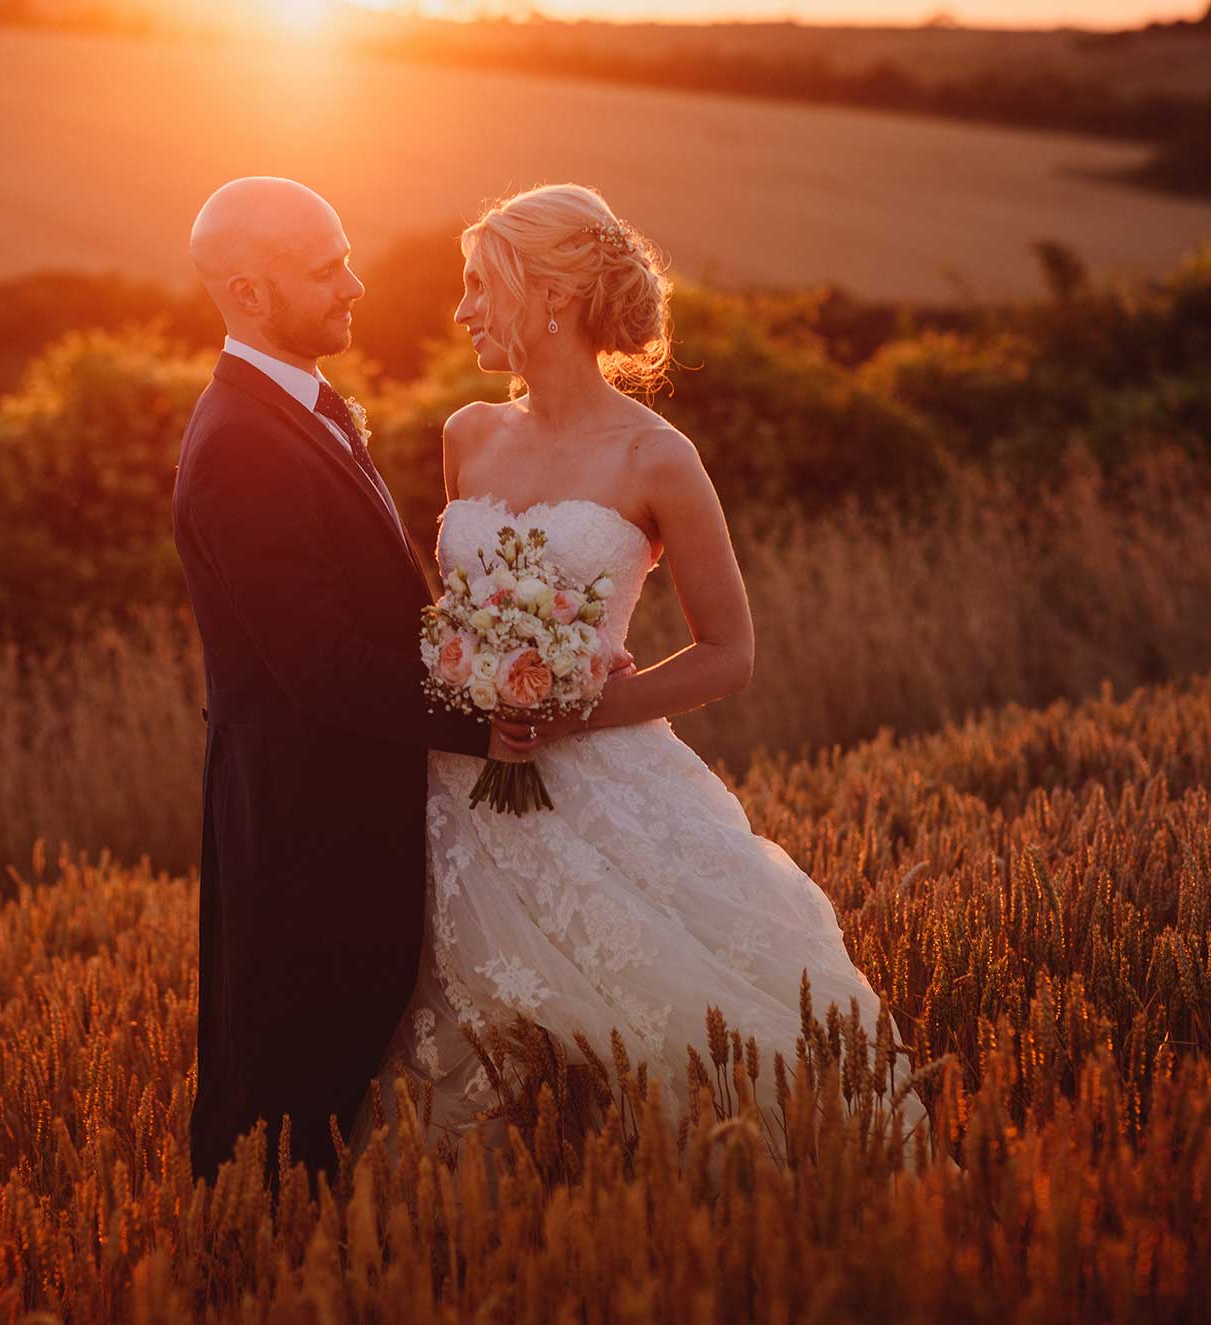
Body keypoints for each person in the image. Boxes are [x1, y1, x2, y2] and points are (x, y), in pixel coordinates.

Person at [360, 183, 933, 1168]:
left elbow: (728, 652)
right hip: (459, 800)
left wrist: (573, 707)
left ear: (547, 296)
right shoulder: (466, 435)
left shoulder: (656, 457)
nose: (457, 314)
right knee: (466, 1037)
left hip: (598, 784)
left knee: (659, 1038)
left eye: (475, 286)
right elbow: (456, 606)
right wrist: (475, 689)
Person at [171, 176, 538, 1186]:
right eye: (324, 266)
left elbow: (370, 619)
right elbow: (321, 669)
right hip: (307, 836)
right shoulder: (242, 444)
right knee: (286, 1103)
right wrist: (492, 715)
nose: (354, 282)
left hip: (352, 814)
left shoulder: (296, 410)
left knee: (328, 1098)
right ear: (247, 292)